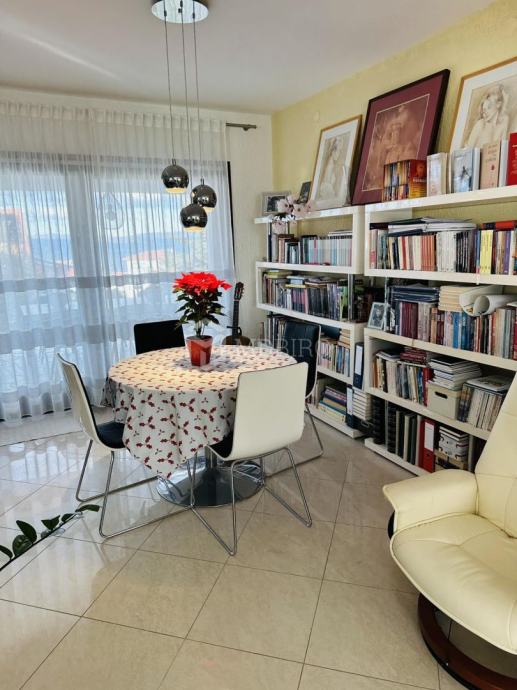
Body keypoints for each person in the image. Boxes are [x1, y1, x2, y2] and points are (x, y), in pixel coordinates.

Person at [465, 84, 510, 148]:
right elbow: (468, 150)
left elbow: (504, 147)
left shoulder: (504, 121)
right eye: (484, 109)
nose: (485, 113)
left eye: (489, 107)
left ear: (498, 104)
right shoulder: (480, 124)